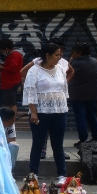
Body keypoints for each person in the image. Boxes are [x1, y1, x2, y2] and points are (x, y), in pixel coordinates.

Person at [23, 43, 69, 184]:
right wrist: (34, 113)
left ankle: (62, 174)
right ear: (47, 55)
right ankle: (33, 174)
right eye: (56, 55)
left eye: (60, 55)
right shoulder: (34, 71)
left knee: (57, 144)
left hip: (59, 112)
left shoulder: (61, 68)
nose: (59, 57)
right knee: (38, 143)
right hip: (41, 113)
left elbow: (64, 89)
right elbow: (30, 91)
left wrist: (62, 103)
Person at [68, 42, 97, 148]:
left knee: (80, 117)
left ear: (79, 53)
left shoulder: (76, 63)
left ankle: (83, 140)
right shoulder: (95, 61)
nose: (72, 55)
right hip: (94, 95)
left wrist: (70, 62)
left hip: (79, 96)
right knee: (92, 116)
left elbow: (66, 73)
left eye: (73, 53)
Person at [0, 39, 24, 120]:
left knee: (11, 104)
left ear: (6, 48)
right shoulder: (12, 54)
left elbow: (13, 68)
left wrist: (2, 67)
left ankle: (11, 121)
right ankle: (8, 120)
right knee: (7, 103)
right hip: (8, 83)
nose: (1, 51)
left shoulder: (14, 55)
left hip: (11, 83)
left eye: (1, 49)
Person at [0, 107, 19, 173]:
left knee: (14, 146)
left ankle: (9, 171)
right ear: (4, 122)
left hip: (4, 145)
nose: (14, 121)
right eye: (12, 120)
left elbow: (13, 139)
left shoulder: (11, 124)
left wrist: (2, 141)